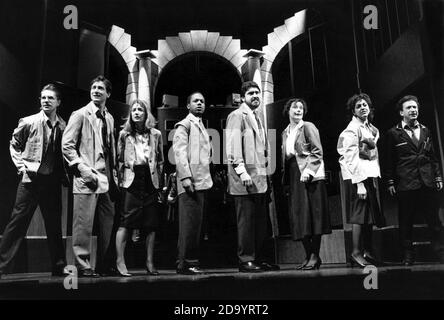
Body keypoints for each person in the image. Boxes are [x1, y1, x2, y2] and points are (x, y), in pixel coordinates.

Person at [0, 84, 68, 278]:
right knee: (17, 222)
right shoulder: (29, 122)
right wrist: (21, 167)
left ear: (58, 102)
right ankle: (2, 265)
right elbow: (14, 145)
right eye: (43, 98)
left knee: (54, 225)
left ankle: (59, 265)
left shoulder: (63, 125)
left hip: (51, 181)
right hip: (30, 179)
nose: (46, 101)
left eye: (50, 98)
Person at [62, 75, 118, 277]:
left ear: (108, 94)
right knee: (83, 224)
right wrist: (83, 169)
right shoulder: (80, 114)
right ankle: (82, 266)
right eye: (93, 87)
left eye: (100, 88)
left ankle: (104, 265)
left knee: (107, 224)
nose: (95, 91)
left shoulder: (109, 117)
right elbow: (67, 146)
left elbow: (110, 149)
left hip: (106, 178)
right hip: (87, 176)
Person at [226, 81, 279, 273]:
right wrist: (242, 171)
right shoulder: (237, 116)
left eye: (257, 93)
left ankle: (260, 258)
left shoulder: (258, 117)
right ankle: (246, 259)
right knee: (246, 221)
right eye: (251, 93)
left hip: (261, 178)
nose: (255, 96)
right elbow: (232, 147)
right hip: (245, 179)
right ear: (242, 97)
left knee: (260, 222)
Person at [384, 95, 444, 265]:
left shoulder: (425, 130)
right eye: (409, 108)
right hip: (406, 183)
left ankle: (441, 252)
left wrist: (438, 175)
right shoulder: (393, 133)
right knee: (406, 221)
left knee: (434, 221)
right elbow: (389, 160)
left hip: (427, 181)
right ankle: (408, 255)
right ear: (401, 112)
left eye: (415, 107)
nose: (413, 110)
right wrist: (390, 182)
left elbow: (433, 156)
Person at [115, 99, 164, 276]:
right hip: (131, 179)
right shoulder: (124, 134)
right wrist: (120, 182)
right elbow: (119, 160)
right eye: (134, 110)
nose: (136, 112)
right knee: (126, 222)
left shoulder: (156, 134)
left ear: (146, 113)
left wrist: (159, 183)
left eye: (140, 110)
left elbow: (160, 160)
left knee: (151, 224)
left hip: (150, 179)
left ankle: (150, 262)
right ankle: (120, 262)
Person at [281, 98, 331, 270]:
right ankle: (308, 253)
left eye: (301, 108)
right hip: (294, 174)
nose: (298, 110)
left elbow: (317, 152)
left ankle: (315, 255)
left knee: (314, 215)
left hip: (311, 174)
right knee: (300, 216)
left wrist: (309, 171)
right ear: (288, 111)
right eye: (294, 108)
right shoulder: (285, 132)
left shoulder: (308, 126)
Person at [337, 93, 385, 268]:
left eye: (365, 105)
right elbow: (350, 157)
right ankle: (356, 252)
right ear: (353, 111)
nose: (363, 107)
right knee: (359, 216)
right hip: (357, 178)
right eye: (359, 106)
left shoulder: (369, 128)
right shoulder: (352, 129)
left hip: (368, 175)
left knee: (368, 216)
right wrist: (359, 184)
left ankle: (367, 252)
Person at [173, 92, 212, 275]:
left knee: (195, 224)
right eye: (195, 101)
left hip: (201, 181)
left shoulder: (200, 125)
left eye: (202, 101)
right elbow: (179, 152)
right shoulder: (185, 124)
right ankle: (187, 262)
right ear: (188, 105)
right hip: (190, 181)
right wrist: (185, 177)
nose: (199, 104)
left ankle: (186, 262)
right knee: (189, 224)